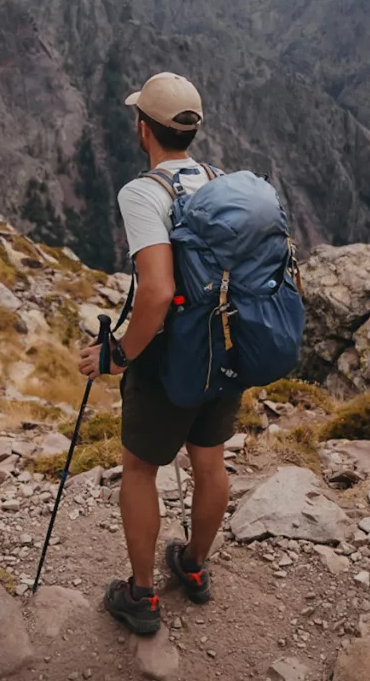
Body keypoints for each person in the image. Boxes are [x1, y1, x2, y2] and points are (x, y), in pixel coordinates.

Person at [79, 71, 242, 636]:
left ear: (143, 128)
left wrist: (118, 355)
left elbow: (154, 290)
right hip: (228, 347)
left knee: (141, 469)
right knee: (210, 461)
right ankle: (193, 568)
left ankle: (142, 596)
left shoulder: (143, 192)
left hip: (172, 356)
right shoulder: (222, 182)